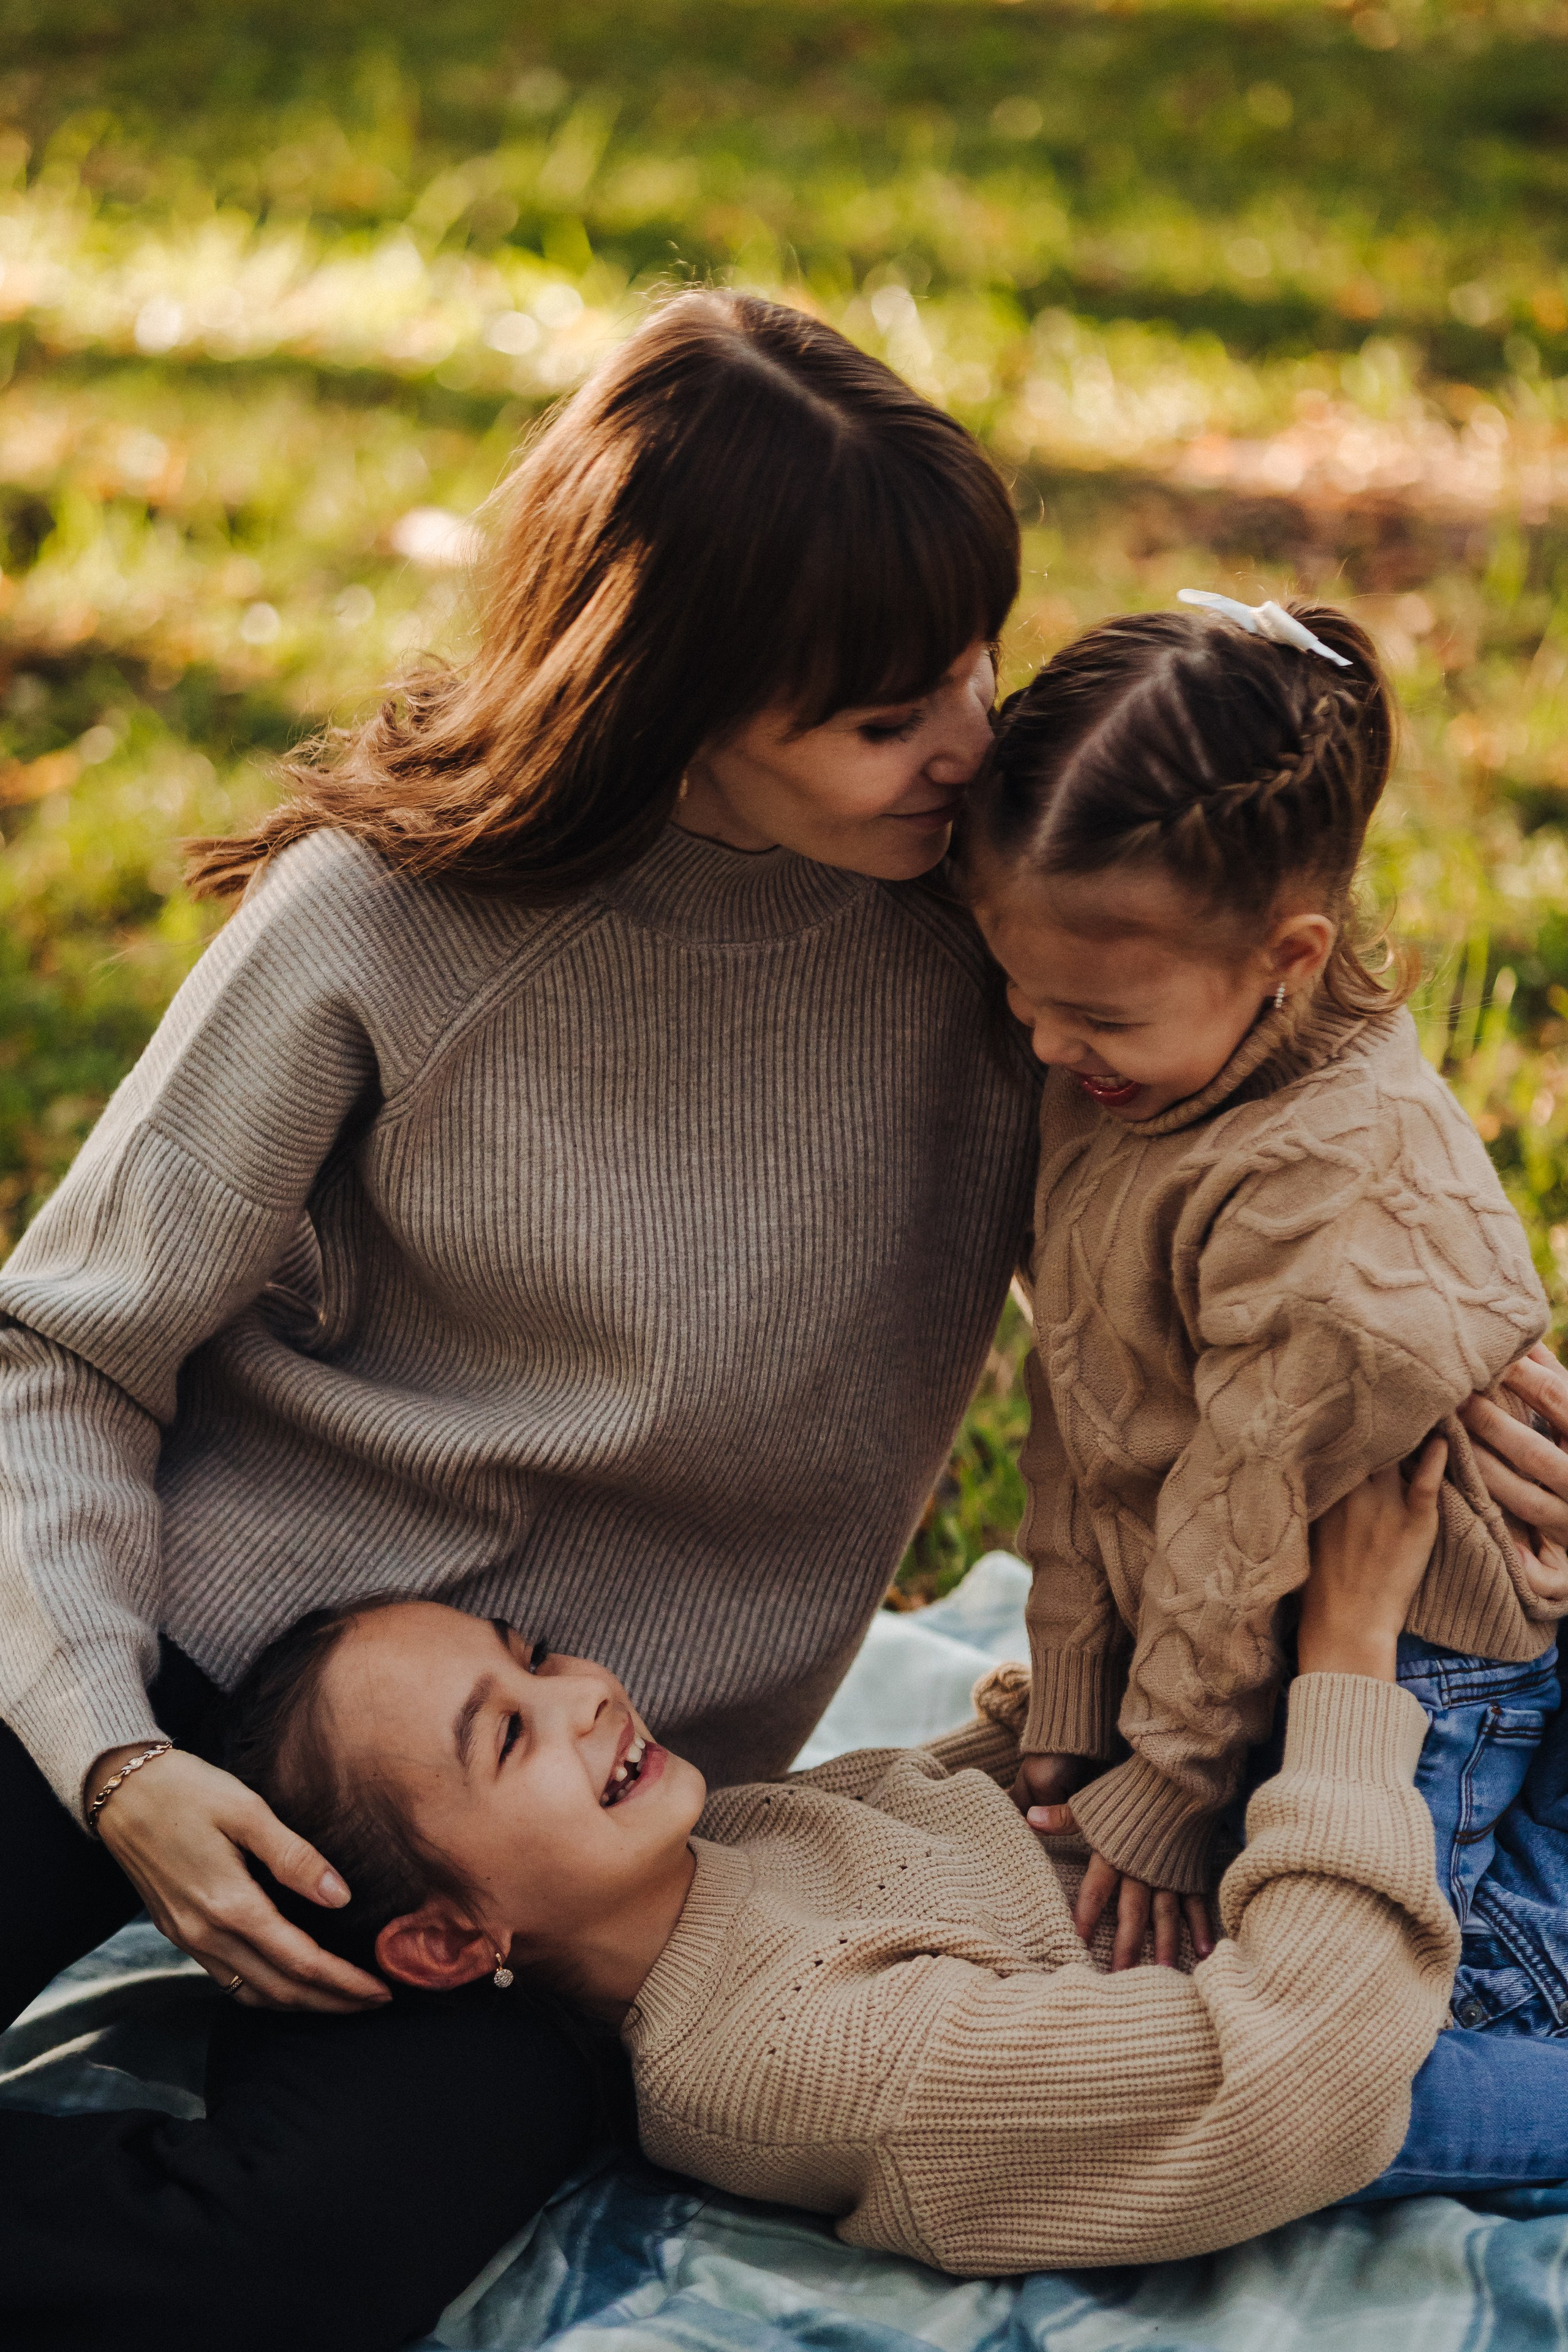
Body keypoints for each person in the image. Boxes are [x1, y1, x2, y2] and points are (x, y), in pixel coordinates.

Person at [0, 289, 1039, 2351]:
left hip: (555, 1817)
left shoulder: (1014, 937)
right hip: (178, 1646)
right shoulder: (385, 921)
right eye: (885, 711)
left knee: (290, 2262)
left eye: (975, 663)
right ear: (678, 696)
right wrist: (113, 1763)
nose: (976, 742)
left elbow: (1230, 1248)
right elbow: (65, 1354)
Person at [217, 1447, 1468, 2271]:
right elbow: (1289, 2069)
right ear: (447, 1938)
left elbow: (1010, 1771)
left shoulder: (736, 1839)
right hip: (1401, 2001)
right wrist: (1344, 1651)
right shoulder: (793, 2057)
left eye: (535, 1655)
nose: (583, 1695)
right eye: (506, 1734)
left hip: (1323, 1861)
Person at [957, 593, 1568, 1972]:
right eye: (1018, 990)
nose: (1047, 1042)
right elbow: (1087, 1407)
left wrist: (1167, 1797)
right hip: (1237, 1631)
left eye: (1098, 1015)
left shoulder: (1322, 1194)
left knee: (1355, 2015)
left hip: (1417, 1659)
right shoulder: (1131, 1082)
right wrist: (1073, 1693)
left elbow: (1240, 1526)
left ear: (1284, 959)